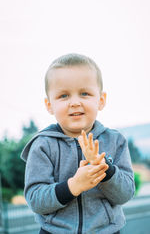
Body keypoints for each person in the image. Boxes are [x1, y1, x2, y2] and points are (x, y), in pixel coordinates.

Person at [21, 53, 135, 234]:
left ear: (101, 100)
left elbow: (125, 194)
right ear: (49, 104)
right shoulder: (42, 145)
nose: (75, 102)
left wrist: (104, 169)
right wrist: (73, 186)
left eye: (84, 93)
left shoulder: (115, 141)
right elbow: (35, 199)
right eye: (64, 95)